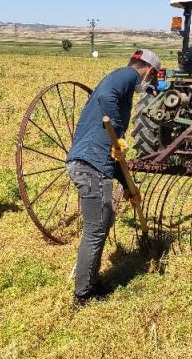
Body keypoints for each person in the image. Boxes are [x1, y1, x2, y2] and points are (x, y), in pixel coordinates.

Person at [65, 49, 161, 306]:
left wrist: (127, 183)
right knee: (96, 230)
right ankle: (83, 294)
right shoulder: (126, 76)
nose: (148, 84)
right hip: (91, 167)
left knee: (103, 220)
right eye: (152, 78)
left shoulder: (120, 79)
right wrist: (117, 126)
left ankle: (92, 280)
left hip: (93, 162)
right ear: (149, 70)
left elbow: (114, 153)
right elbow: (108, 97)